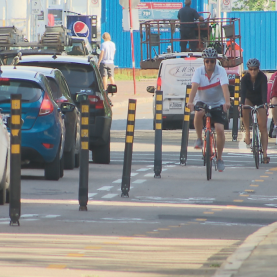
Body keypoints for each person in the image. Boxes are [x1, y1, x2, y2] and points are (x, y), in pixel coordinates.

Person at [187, 47, 230, 172]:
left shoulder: (221, 71)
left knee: (220, 129)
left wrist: (227, 102)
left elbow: (225, 88)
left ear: (215, 61)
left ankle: (220, 158)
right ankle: (200, 138)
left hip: (218, 103)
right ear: (204, 61)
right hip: (203, 101)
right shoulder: (198, 72)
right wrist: (190, 102)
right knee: (198, 112)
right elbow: (194, 88)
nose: (209, 64)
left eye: (212, 61)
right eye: (207, 61)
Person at [240, 58, 269, 163]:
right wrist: (241, 103)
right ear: (248, 69)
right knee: (245, 107)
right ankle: (247, 131)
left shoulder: (263, 77)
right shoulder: (245, 79)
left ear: (258, 69)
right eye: (251, 69)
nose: (253, 71)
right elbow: (242, 93)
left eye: (255, 69)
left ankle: (265, 154)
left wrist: (265, 103)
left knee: (263, 127)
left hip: (260, 100)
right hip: (249, 99)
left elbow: (264, 91)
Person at [267, 71, 277, 137]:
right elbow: (270, 90)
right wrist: (267, 102)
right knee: (274, 101)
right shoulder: (275, 76)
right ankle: (276, 125)